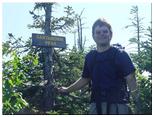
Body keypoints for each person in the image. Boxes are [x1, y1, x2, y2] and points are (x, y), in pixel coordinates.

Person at [58, 18, 139, 115]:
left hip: (118, 104)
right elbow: (85, 79)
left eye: (105, 31)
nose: (102, 34)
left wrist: (137, 101)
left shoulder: (120, 54)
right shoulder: (90, 57)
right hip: (96, 104)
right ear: (93, 36)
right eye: (98, 32)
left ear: (110, 34)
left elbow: (131, 78)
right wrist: (67, 89)